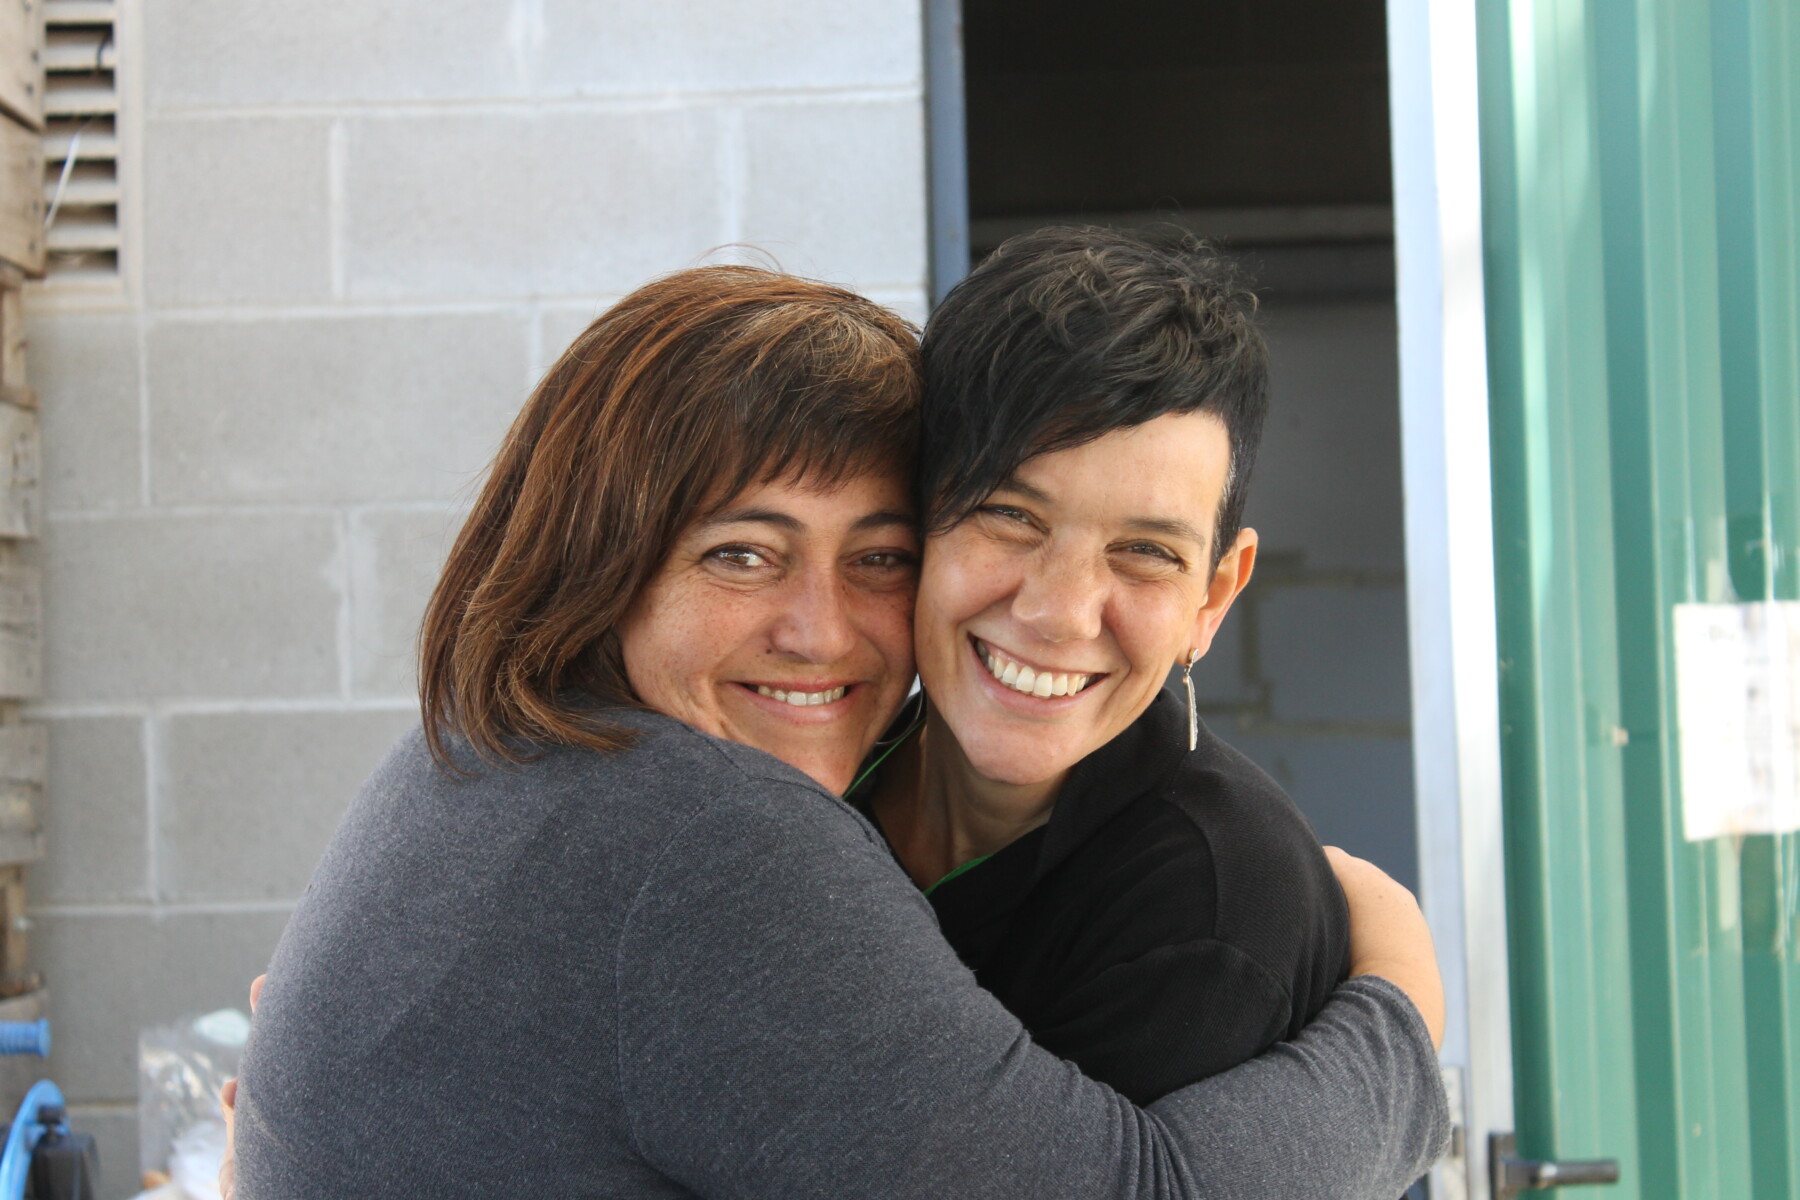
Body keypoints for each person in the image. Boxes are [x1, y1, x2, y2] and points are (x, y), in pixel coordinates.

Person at [230, 265, 1448, 1200]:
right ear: (596, 560)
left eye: (878, 558)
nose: (821, 634)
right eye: (741, 555)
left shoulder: (471, 756)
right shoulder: (713, 841)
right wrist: (1399, 1013)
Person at [857, 226, 1347, 1104]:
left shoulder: (1216, 912)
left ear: (1213, 597)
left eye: (1147, 552)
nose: (1059, 612)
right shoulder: (820, 756)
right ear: (915, 511)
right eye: (1010, 515)